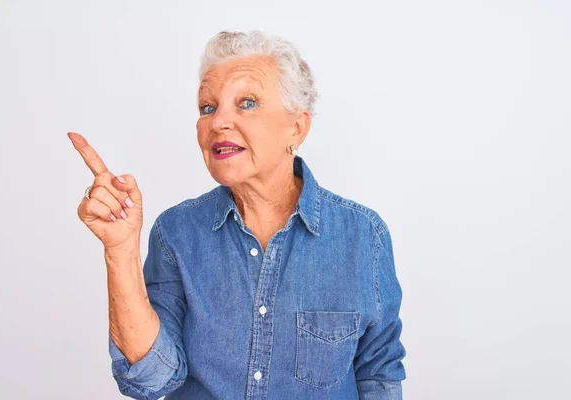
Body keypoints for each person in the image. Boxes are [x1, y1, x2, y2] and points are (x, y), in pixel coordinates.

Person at [68, 30, 406, 400]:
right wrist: (120, 250)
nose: (218, 122)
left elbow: (378, 374)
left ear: (297, 127)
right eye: (207, 108)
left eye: (246, 102)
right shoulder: (176, 233)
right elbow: (151, 381)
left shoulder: (362, 236)